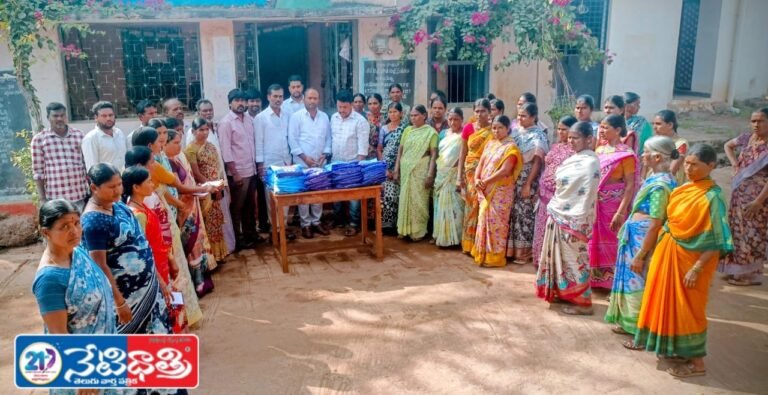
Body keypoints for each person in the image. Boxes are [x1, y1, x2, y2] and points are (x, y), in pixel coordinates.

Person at [630, 144, 733, 378]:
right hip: (669, 253)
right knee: (666, 302)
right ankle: (675, 350)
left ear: (711, 166)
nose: (688, 168)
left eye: (695, 164)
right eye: (687, 163)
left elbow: (716, 239)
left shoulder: (712, 197)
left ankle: (697, 364)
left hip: (692, 262)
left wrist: (696, 269)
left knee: (688, 309)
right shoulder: (684, 188)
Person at [80, 163, 171, 334]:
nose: (118, 190)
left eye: (119, 184)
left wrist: (157, 278)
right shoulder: (93, 222)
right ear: (94, 187)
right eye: (111, 187)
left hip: (148, 289)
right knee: (135, 346)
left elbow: (142, 242)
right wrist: (119, 302)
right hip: (127, 297)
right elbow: (99, 266)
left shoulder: (120, 206)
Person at [605, 136, 678, 335]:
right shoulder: (657, 179)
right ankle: (628, 322)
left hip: (642, 241)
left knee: (638, 282)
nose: (642, 155)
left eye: (646, 152)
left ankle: (639, 330)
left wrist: (641, 254)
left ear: (656, 157)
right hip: (635, 236)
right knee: (632, 280)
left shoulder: (660, 186)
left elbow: (655, 223)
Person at [535, 121, 601, 315]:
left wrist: (576, 217)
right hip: (558, 211)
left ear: (589, 139)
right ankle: (561, 293)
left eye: (576, 137)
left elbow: (587, 193)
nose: (571, 141)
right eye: (570, 137)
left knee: (575, 260)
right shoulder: (573, 159)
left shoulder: (590, 162)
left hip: (575, 219)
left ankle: (583, 303)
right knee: (557, 257)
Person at [33, 199, 116, 335]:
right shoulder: (49, 280)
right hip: (81, 352)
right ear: (46, 233)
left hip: (106, 347)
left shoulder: (77, 252)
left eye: (77, 223)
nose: (74, 231)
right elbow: (60, 336)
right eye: (65, 226)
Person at [122, 165, 186, 333]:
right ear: (136, 187)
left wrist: (170, 259)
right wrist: (162, 281)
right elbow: (144, 251)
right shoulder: (137, 214)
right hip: (155, 269)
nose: (152, 184)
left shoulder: (142, 206)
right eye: (149, 181)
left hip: (162, 263)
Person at [719, 107, 768, 286]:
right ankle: (737, 270)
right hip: (739, 194)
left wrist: (758, 201)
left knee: (753, 233)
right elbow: (728, 145)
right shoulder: (747, 139)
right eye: (753, 121)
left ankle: (749, 274)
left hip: (759, 200)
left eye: (760, 121)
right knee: (737, 232)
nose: (756, 124)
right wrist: (734, 164)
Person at [591, 114, 637, 289]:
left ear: (618, 130)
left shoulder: (626, 155)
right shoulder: (600, 150)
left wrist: (620, 212)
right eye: (600, 127)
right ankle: (595, 279)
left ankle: (611, 282)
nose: (601, 131)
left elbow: (630, 184)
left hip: (614, 204)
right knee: (594, 239)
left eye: (606, 127)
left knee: (613, 240)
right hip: (596, 203)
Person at [471, 115, 523, 266]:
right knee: (483, 220)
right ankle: (483, 254)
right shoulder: (490, 144)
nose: (497, 131)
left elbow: (505, 171)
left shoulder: (511, 148)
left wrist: (485, 181)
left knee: (497, 224)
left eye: (500, 128)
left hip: (500, 191)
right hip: (485, 189)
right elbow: (480, 164)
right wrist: (476, 179)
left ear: (508, 129)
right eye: (494, 127)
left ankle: (495, 258)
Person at [287, 88, 333, 239]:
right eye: (310, 98)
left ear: (318, 100)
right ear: (304, 99)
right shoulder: (296, 117)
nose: (312, 101)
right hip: (303, 162)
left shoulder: (324, 117)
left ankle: (316, 222)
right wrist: (305, 158)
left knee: (317, 194)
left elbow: (328, 138)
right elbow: (292, 140)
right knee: (304, 195)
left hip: (319, 163)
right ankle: (305, 224)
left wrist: (324, 155)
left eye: (315, 98)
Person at [219, 89, 261, 249]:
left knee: (250, 206)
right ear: (230, 103)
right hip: (238, 173)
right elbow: (226, 150)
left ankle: (252, 234)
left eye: (243, 100)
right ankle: (237, 239)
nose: (241, 103)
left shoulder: (249, 120)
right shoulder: (226, 123)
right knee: (237, 208)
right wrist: (234, 173)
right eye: (237, 100)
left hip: (251, 170)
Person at [532, 115, 576, 267]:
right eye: (559, 129)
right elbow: (547, 167)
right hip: (544, 194)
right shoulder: (555, 146)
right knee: (541, 227)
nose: (561, 132)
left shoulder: (575, 152)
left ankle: (552, 263)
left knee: (554, 230)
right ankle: (540, 260)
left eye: (564, 129)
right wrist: (540, 185)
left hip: (559, 197)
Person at [507, 102, 549, 263]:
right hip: (513, 178)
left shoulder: (538, 136)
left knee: (524, 215)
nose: (520, 118)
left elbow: (538, 162)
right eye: (519, 115)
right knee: (513, 213)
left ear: (533, 117)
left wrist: (528, 184)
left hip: (527, 178)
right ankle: (512, 250)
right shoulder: (516, 133)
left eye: (524, 116)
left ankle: (525, 253)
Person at [186, 118, 230, 260]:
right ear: (193, 131)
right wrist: (210, 187)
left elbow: (218, 167)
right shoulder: (191, 149)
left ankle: (219, 254)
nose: (205, 133)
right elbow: (196, 173)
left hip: (216, 188)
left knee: (216, 221)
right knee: (207, 223)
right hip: (204, 191)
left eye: (206, 129)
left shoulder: (211, 146)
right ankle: (210, 257)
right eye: (201, 130)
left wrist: (220, 185)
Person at [32, 102, 89, 209]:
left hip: (80, 196)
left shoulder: (79, 136)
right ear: (48, 118)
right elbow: (38, 173)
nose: (59, 119)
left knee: (81, 225)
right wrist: (43, 199)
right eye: (55, 116)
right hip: (55, 199)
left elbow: (87, 165)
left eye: (62, 115)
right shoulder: (39, 139)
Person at [256, 83, 295, 240]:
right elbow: (258, 142)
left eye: (280, 96)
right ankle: (275, 230)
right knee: (271, 199)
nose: (278, 99)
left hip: (285, 162)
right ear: (268, 97)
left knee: (284, 196)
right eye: (275, 96)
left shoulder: (287, 115)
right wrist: (260, 165)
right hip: (269, 164)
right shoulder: (261, 118)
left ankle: (283, 228)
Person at [393, 105, 438, 241]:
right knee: (405, 199)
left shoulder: (431, 133)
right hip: (406, 170)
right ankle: (403, 229)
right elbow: (400, 151)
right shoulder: (407, 131)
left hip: (421, 170)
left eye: (416, 115)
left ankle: (418, 232)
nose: (413, 118)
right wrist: (396, 170)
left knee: (419, 201)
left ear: (424, 115)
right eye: (411, 115)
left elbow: (434, 155)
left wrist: (430, 174)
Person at [330, 90, 370, 236]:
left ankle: (354, 223)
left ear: (351, 105)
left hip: (353, 164)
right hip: (336, 163)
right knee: (336, 194)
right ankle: (338, 220)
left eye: (344, 107)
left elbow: (363, 149)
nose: (341, 111)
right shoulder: (333, 118)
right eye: (339, 107)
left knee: (354, 197)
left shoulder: (360, 121)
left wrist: (357, 168)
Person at [459, 98, 494, 253]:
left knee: (483, 206)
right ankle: (469, 244)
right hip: (470, 171)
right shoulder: (468, 128)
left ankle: (481, 244)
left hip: (487, 173)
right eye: (477, 111)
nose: (480, 114)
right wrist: (459, 177)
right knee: (471, 204)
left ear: (489, 112)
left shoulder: (494, 130)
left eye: (483, 111)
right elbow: (463, 153)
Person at [432, 107, 465, 247]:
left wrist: (458, 173)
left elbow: (464, 155)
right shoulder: (443, 134)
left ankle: (455, 238)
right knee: (440, 206)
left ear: (462, 120)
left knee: (456, 206)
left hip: (454, 174)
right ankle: (441, 236)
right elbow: (439, 154)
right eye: (450, 119)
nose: (453, 122)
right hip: (441, 173)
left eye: (456, 119)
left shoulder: (465, 135)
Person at [380, 102, 407, 232]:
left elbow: (404, 150)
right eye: (390, 112)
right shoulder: (384, 129)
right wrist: (384, 168)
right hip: (385, 166)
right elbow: (379, 149)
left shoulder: (405, 129)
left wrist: (397, 169)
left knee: (398, 195)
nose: (392, 114)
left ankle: (397, 225)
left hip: (400, 166)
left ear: (401, 114)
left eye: (395, 112)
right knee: (386, 194)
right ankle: (386, 225)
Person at [82, 101, 128, 170]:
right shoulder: (91, 138)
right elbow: (92, 168)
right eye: (104, 116)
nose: (108, 118)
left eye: (111, 115)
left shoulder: (119, 133)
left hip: (124, 178)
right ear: (96, 118)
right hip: (107, 180)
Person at [652, 110, 688, 185]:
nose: (654, 127)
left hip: (668, 183)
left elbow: (672, 170)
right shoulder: (655, 141)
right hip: (652, 181)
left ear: (670, 125)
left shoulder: (680, 144)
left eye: (658, 124)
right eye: (653, 124)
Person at [367, 93, 384, 160]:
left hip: (383, 153)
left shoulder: (387, 118)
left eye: (375, 103)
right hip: (367, 153)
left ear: (381, 104)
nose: (372, 106)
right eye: (370, 104)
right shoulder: (364, 118)